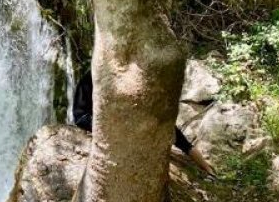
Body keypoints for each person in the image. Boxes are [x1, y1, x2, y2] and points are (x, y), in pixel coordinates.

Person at [71, 72, 216, 176]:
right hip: (86, 117)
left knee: (180, 140)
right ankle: (208, 169)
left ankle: (208, 169)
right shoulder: (99, 76)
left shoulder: (115, 78)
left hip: (107, 117)